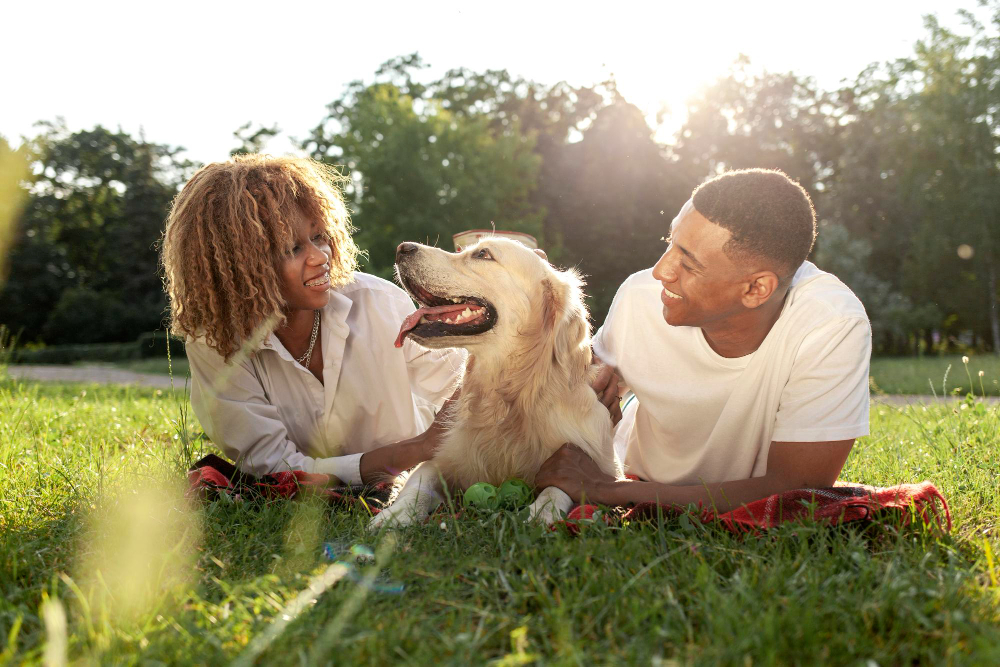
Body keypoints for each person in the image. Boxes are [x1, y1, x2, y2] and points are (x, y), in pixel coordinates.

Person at [536, 168, 871, 512]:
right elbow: (583, 391)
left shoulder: (831, 324)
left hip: (639, 488)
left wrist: (609, 491)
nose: (660, 272)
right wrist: (591, 377)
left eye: (689, 264)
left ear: (756, 289)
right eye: (670, 244)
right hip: (636, 464)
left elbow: (796, 488)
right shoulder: (641, 296)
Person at [161, 154, 464, 484]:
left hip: (416, 483)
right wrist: (417, 449)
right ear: (237, 267)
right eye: (292, 248)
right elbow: (277, 467)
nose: (321, 257)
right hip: (398, 472)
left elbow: (463, 385)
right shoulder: (215, 342)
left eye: (319, 236)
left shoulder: (379, 301)